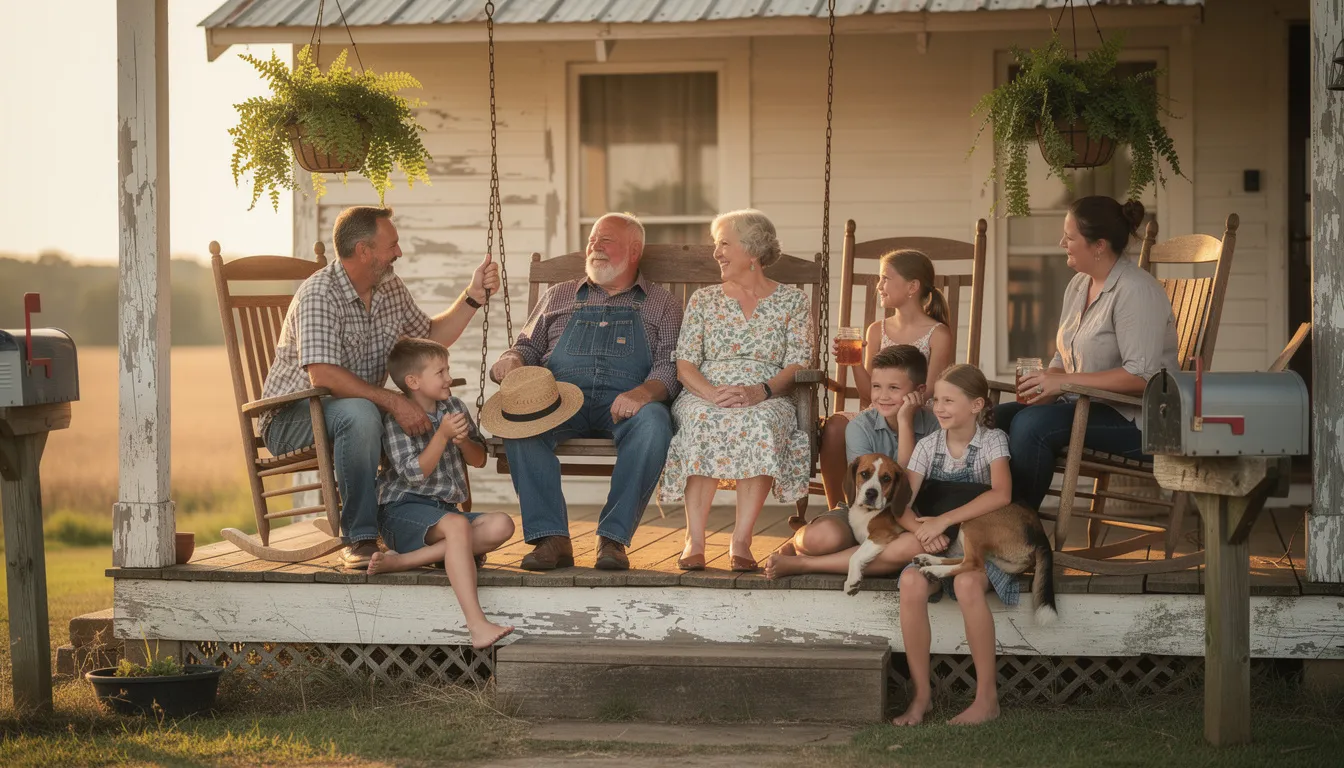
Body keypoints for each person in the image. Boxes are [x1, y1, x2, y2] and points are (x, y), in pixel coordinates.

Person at [259, 206, 499, 569]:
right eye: (392, 245)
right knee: (362, 413)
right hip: (290, 417)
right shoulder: (320, 294)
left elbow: (430, 338)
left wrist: (472, 297)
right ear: (364, 251)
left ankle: (419, 526)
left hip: (356, 409)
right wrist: (391, 401)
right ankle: (360, 537)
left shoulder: (388, 286)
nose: (399, 252)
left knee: (370, 411)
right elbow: (322, 375)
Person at [489, 213, 682, 572]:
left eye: (605, 240)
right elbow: (526, 347)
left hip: (626, 403)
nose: (595, 246)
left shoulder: (662, 303)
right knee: (520, 420)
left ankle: (612, 539)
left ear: (635, 249)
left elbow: (669, 367)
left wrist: (644, 394)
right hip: (560, 400)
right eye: (592, 240)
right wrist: (511, 360)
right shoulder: (558, 295)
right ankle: (552, 538)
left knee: (655, 423)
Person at [994, 197, 1178, 511]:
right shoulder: (1079, 285)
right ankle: (980, 523)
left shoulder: (1135, 291)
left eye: (1070, 236)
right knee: (993, 420)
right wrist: (1047, 383)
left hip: (1138, 420)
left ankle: (1018, 533)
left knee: (1031, 426)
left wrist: (1064, 384)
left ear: (1099, 246)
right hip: (1085, 405)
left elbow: (1142, 376)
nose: (1061, 242)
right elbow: (1062, 358)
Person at [660, 209, 813, 573]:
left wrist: (761, 391)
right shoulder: (704, 300)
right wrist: (712, 394)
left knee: (760, 422)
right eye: (717, 245)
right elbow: (685, 365)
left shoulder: (792, 302)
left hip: (767, 393)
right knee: (702, 420)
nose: (717, 253)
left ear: (753, 251)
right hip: (705, 390)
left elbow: (797, 364)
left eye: (724, 244)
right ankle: (694, 539)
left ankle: (741, 539)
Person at [368, 338, 515, 649]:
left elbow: (478, 460)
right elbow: (413, 473)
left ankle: (402, 562)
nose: (449, 378)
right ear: (414, 381)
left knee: (503, 524)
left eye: (447, 370)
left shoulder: (454, 407)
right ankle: (477, 624)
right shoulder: (396, 419)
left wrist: (462, 442)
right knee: (458, 526)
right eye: (441, 372)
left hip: (443, 512)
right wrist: (442, 435)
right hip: (401, 511)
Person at [893, 364, 1014, 727]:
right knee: (911, 581)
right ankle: (921, 696)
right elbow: (900, 504)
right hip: (942, 549)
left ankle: (986, 699)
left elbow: (1002, 494)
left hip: (984, 547)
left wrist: (945, 519)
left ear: (977, 405)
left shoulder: (993, 440)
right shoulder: (928, 446)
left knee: (965, 583)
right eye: (936, 400)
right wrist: (922, 529)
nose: (939, 407)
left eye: (949, 400)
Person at [764, 345, 942, 579]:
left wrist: (906, 422)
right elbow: (859, 494)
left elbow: (905, 493)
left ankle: (806, 564)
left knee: (911, 548)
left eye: (894, 388)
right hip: (861, 511)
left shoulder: (934, 426)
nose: (883, 396)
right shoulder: (861, 427)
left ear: (919, 391)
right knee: (821, 539)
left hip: (907, 518)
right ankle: (796, 543)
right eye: (877, 386)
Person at [818, 249, 954, 509]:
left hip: (916, 413)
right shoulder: (876, 330)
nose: (878, 286)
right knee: (835, 426)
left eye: (885, 278)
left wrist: (900, 408)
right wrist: (855, 363)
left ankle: (901, 506)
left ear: (912, 286)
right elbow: (868, 395)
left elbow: (932, 392)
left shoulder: (938, 334)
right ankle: (840, 509)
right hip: (878, 409)